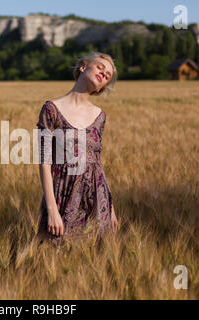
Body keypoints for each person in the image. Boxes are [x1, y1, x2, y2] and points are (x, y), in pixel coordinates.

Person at [35, 52, 118, 249]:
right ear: (83, 67)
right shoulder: (51, 109)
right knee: (53, 255)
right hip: (62, 195)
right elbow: (44, 163)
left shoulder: (100, 116)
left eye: (107, 76)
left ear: (103, 87)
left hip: (97, 199)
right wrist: (52, 209)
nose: (103, 74)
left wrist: (111, 207)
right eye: (100, 67)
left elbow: (96, 164)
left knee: (96, 260)